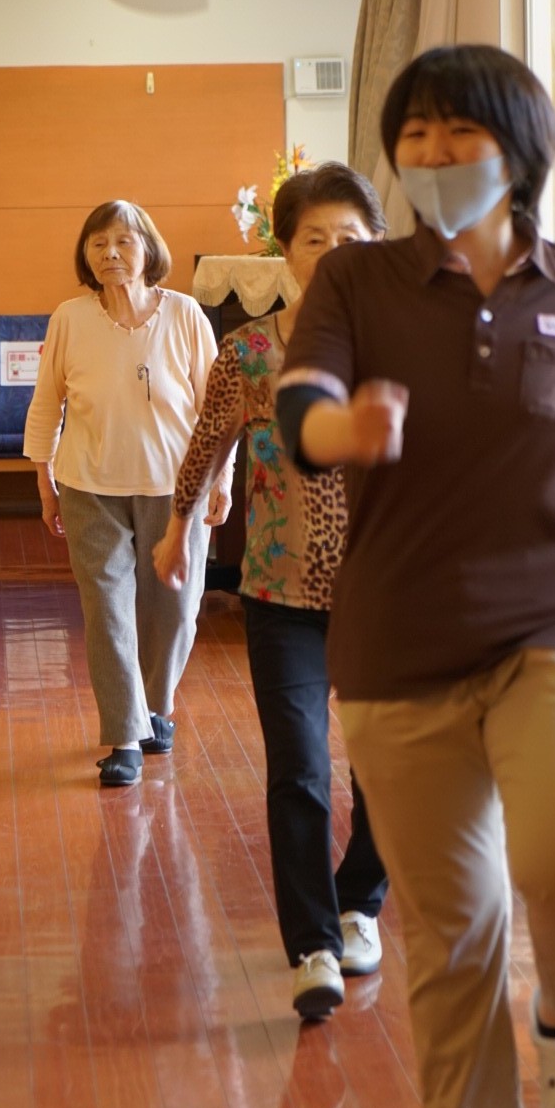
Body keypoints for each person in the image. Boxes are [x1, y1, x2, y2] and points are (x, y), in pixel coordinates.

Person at [275, 45, 555, 1108]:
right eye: (413, 134)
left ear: (519, 149)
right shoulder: (357, 279)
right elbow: (301, 405)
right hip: (402, 638)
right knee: (455, 935)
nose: (431, 153)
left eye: (457, 130)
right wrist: (343, 429)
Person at [153, 163, 390, 1021]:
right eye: (313, 238)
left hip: (386, 595)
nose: (331, 252)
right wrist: (180, 525)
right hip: (278, 591)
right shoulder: (250, 351)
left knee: (390, 771)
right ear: (284, 252)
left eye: (349, 238)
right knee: (300, 769)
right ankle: (313, 946)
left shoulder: (403, 347)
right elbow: (207, 443)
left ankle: (359, 905)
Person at [24, 199, 232, 789]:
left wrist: (222, 478)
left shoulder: (185, 315)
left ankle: (155, 707)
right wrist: (44, 478)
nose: (110, 253)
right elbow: (47, 403)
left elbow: (220, 408)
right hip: (89, 485)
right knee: (107, 610)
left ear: (148, 249)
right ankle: (124, 737)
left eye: (123, 241)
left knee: (175, 609)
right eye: (98, 243)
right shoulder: (69, 318)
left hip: (177, 490)